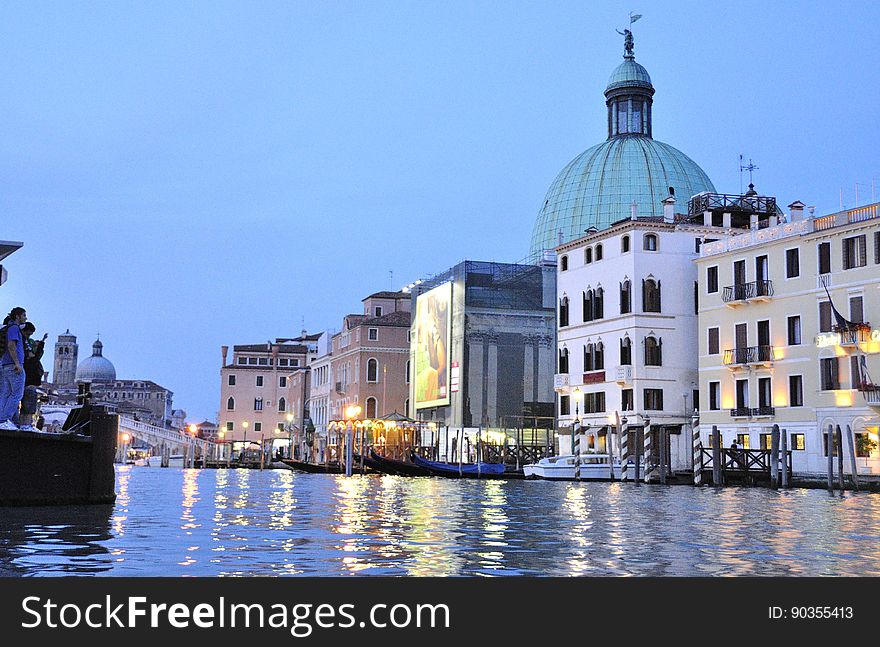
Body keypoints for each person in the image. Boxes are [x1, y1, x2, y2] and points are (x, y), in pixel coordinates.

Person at [0, 307, 28, 430]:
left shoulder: (10, 328)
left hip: (6, 365)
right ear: (17, 316)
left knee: (6, 394)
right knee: (17, 394)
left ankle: (2, 420)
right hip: (14, 366)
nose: (25, 318)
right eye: (24, 315)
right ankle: (5, 420)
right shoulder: (14, 328)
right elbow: (11, 345)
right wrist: (17, 363)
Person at [18, 323, 47, 431]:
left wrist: (42, 341)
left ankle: (24, 424)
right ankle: (25, 425)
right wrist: (42, 342)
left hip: (28, 383)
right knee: (28, 406)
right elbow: (39, 353)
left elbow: (38, 353)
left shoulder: (30, 360)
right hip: (29, 385)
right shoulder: (31, 361)